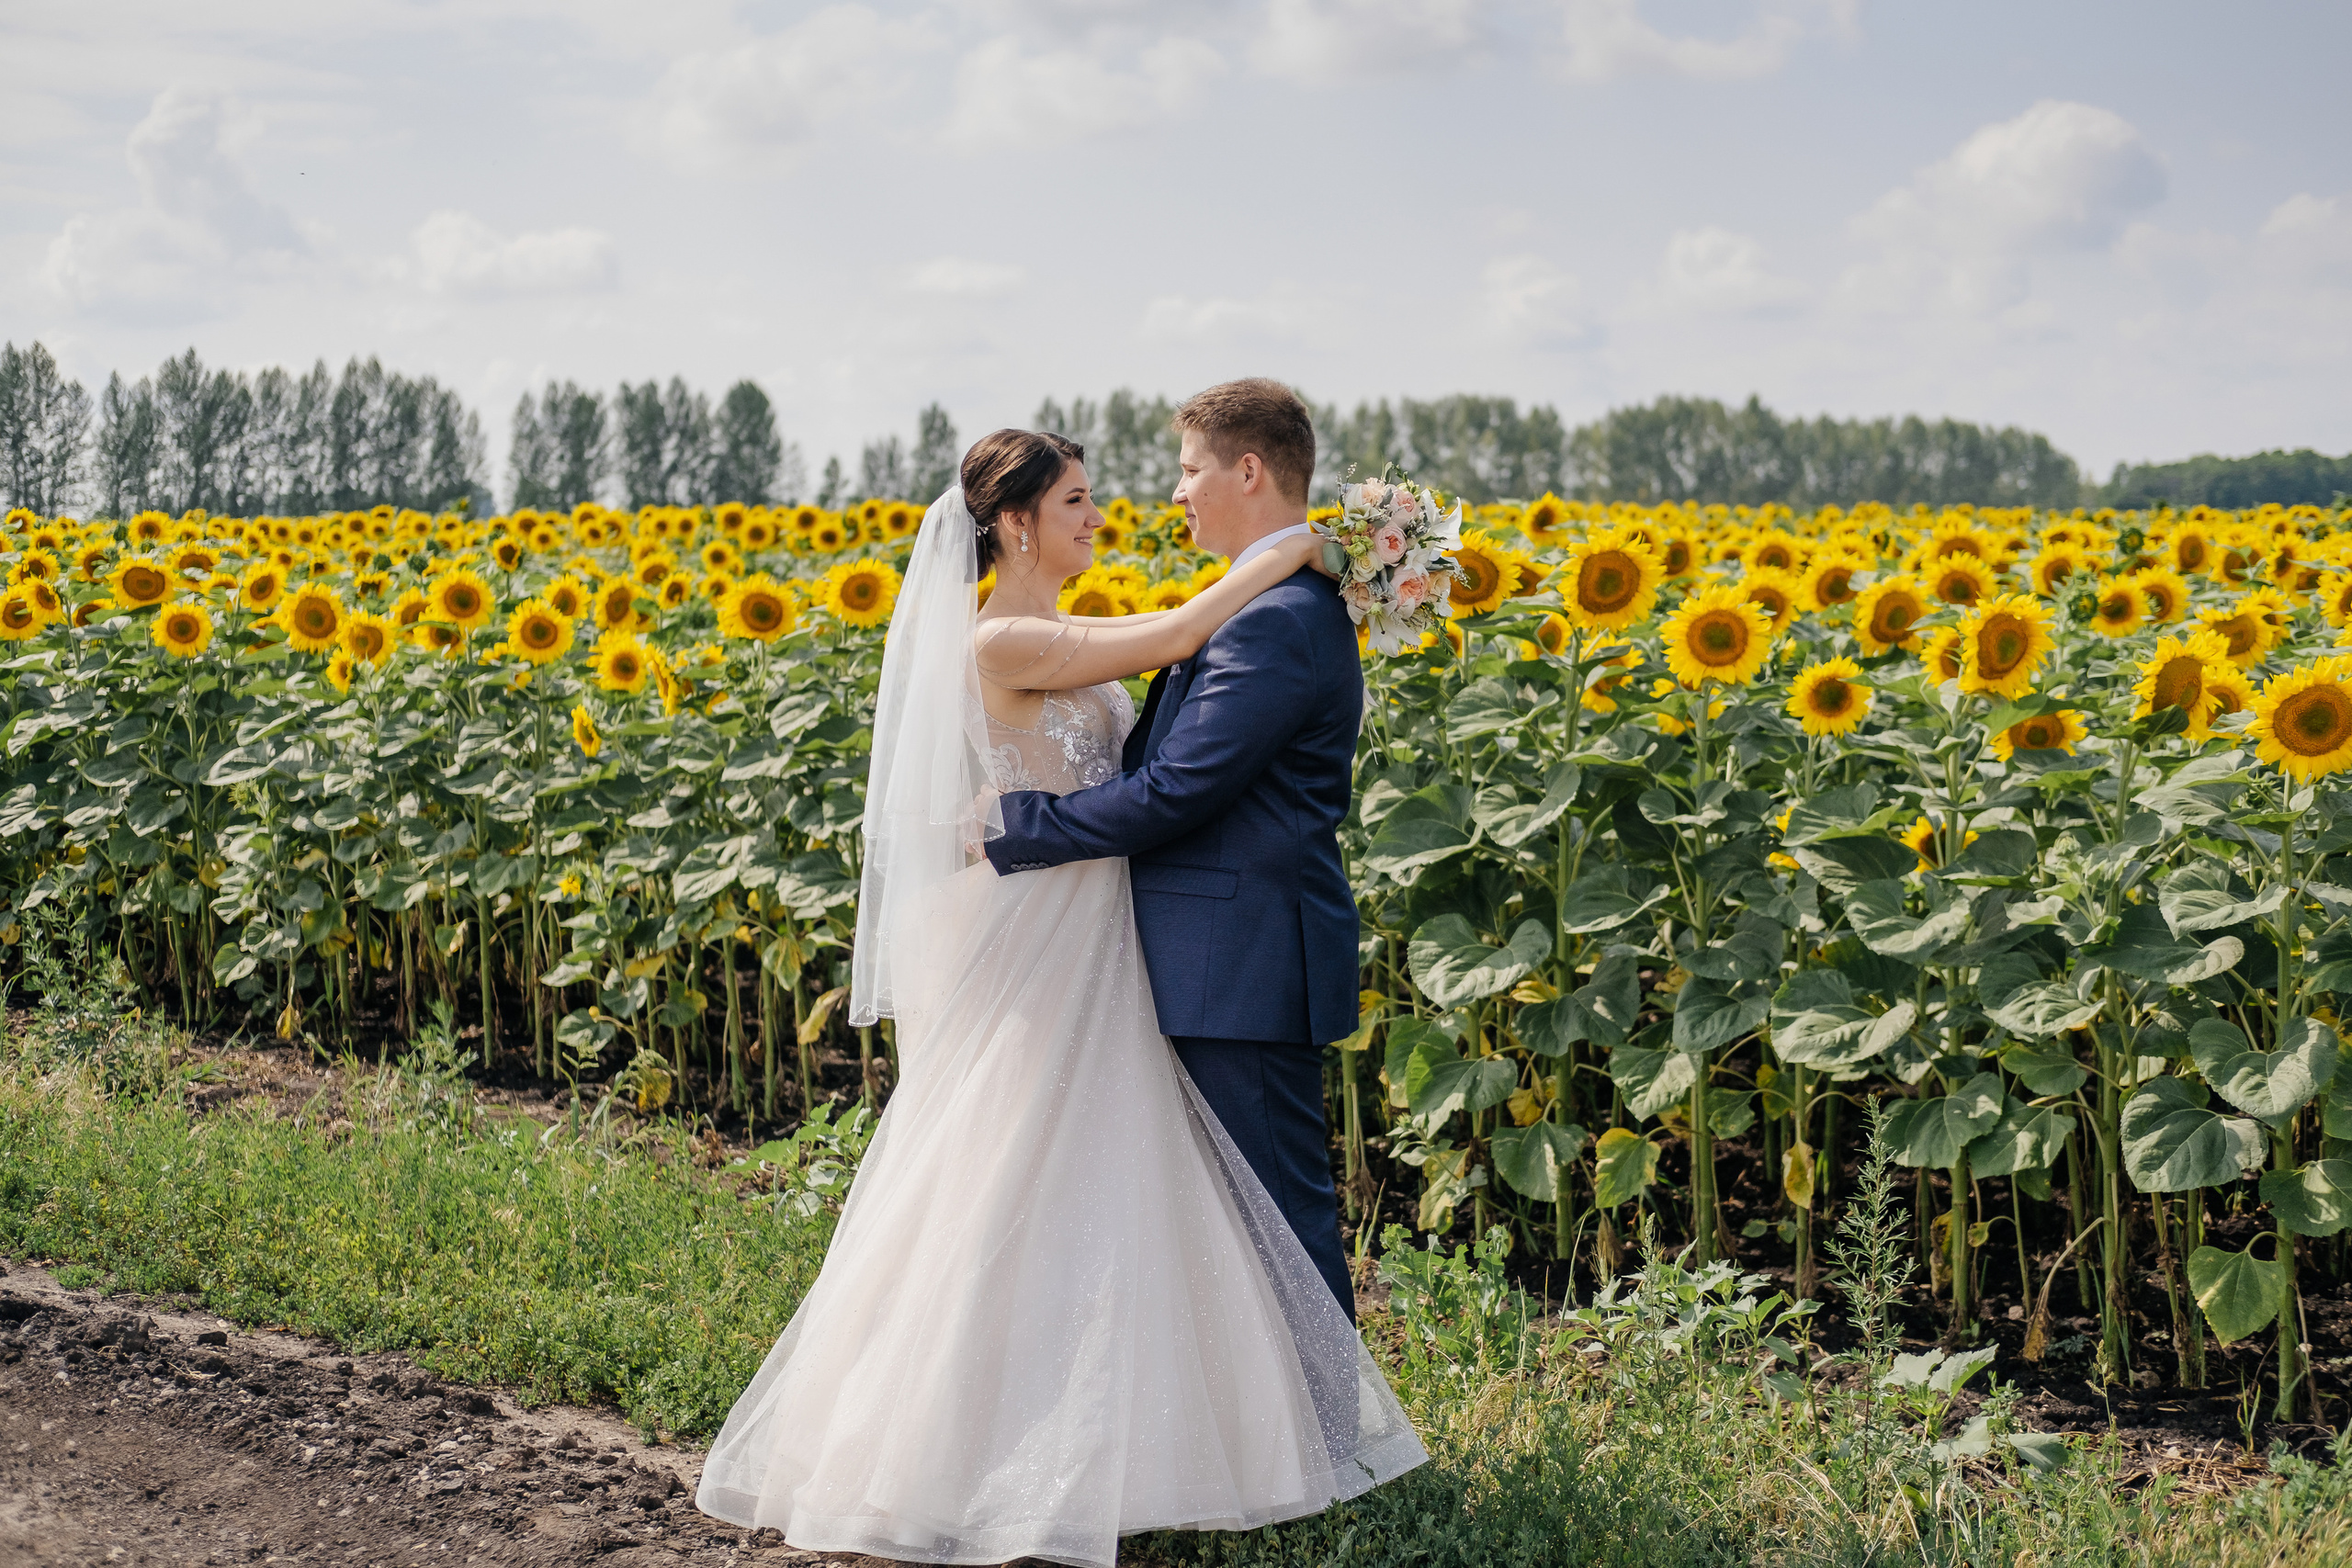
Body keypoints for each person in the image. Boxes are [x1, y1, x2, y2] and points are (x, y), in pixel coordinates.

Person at [694, 415, 1423, 1566]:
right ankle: (987, 1447)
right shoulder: (1003, 641)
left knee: (1101, 1180)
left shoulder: (1062, 628)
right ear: (1015, 522)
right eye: (1077, 500)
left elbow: (1162, 687)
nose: (1104, 512)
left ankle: (1175, 1446)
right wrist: (1290, 552)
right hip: (1049, 926)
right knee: (1020, 1170)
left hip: (1100, 926)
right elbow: (1182, 641)